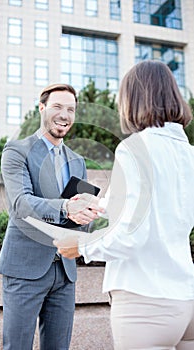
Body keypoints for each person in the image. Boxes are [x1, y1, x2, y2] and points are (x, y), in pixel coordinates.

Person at [54, 61, 194, 350]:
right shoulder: (189, 154)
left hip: (144, 298)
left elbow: (132, 235)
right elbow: (166, 210)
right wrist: (103, 204)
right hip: (186, 296)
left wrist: (81, 247)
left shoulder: (133, 148)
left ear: (134, 99)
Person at [0, 83, 101, 350]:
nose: (64, 115)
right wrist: (67, 207)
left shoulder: (77, 160)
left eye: (70, 109)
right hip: (25, 270)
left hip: (64, 273)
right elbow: (21, 204)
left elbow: (79, 216)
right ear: (41, 108)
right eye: (57, 107)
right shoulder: (17, 151)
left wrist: (87, 216)